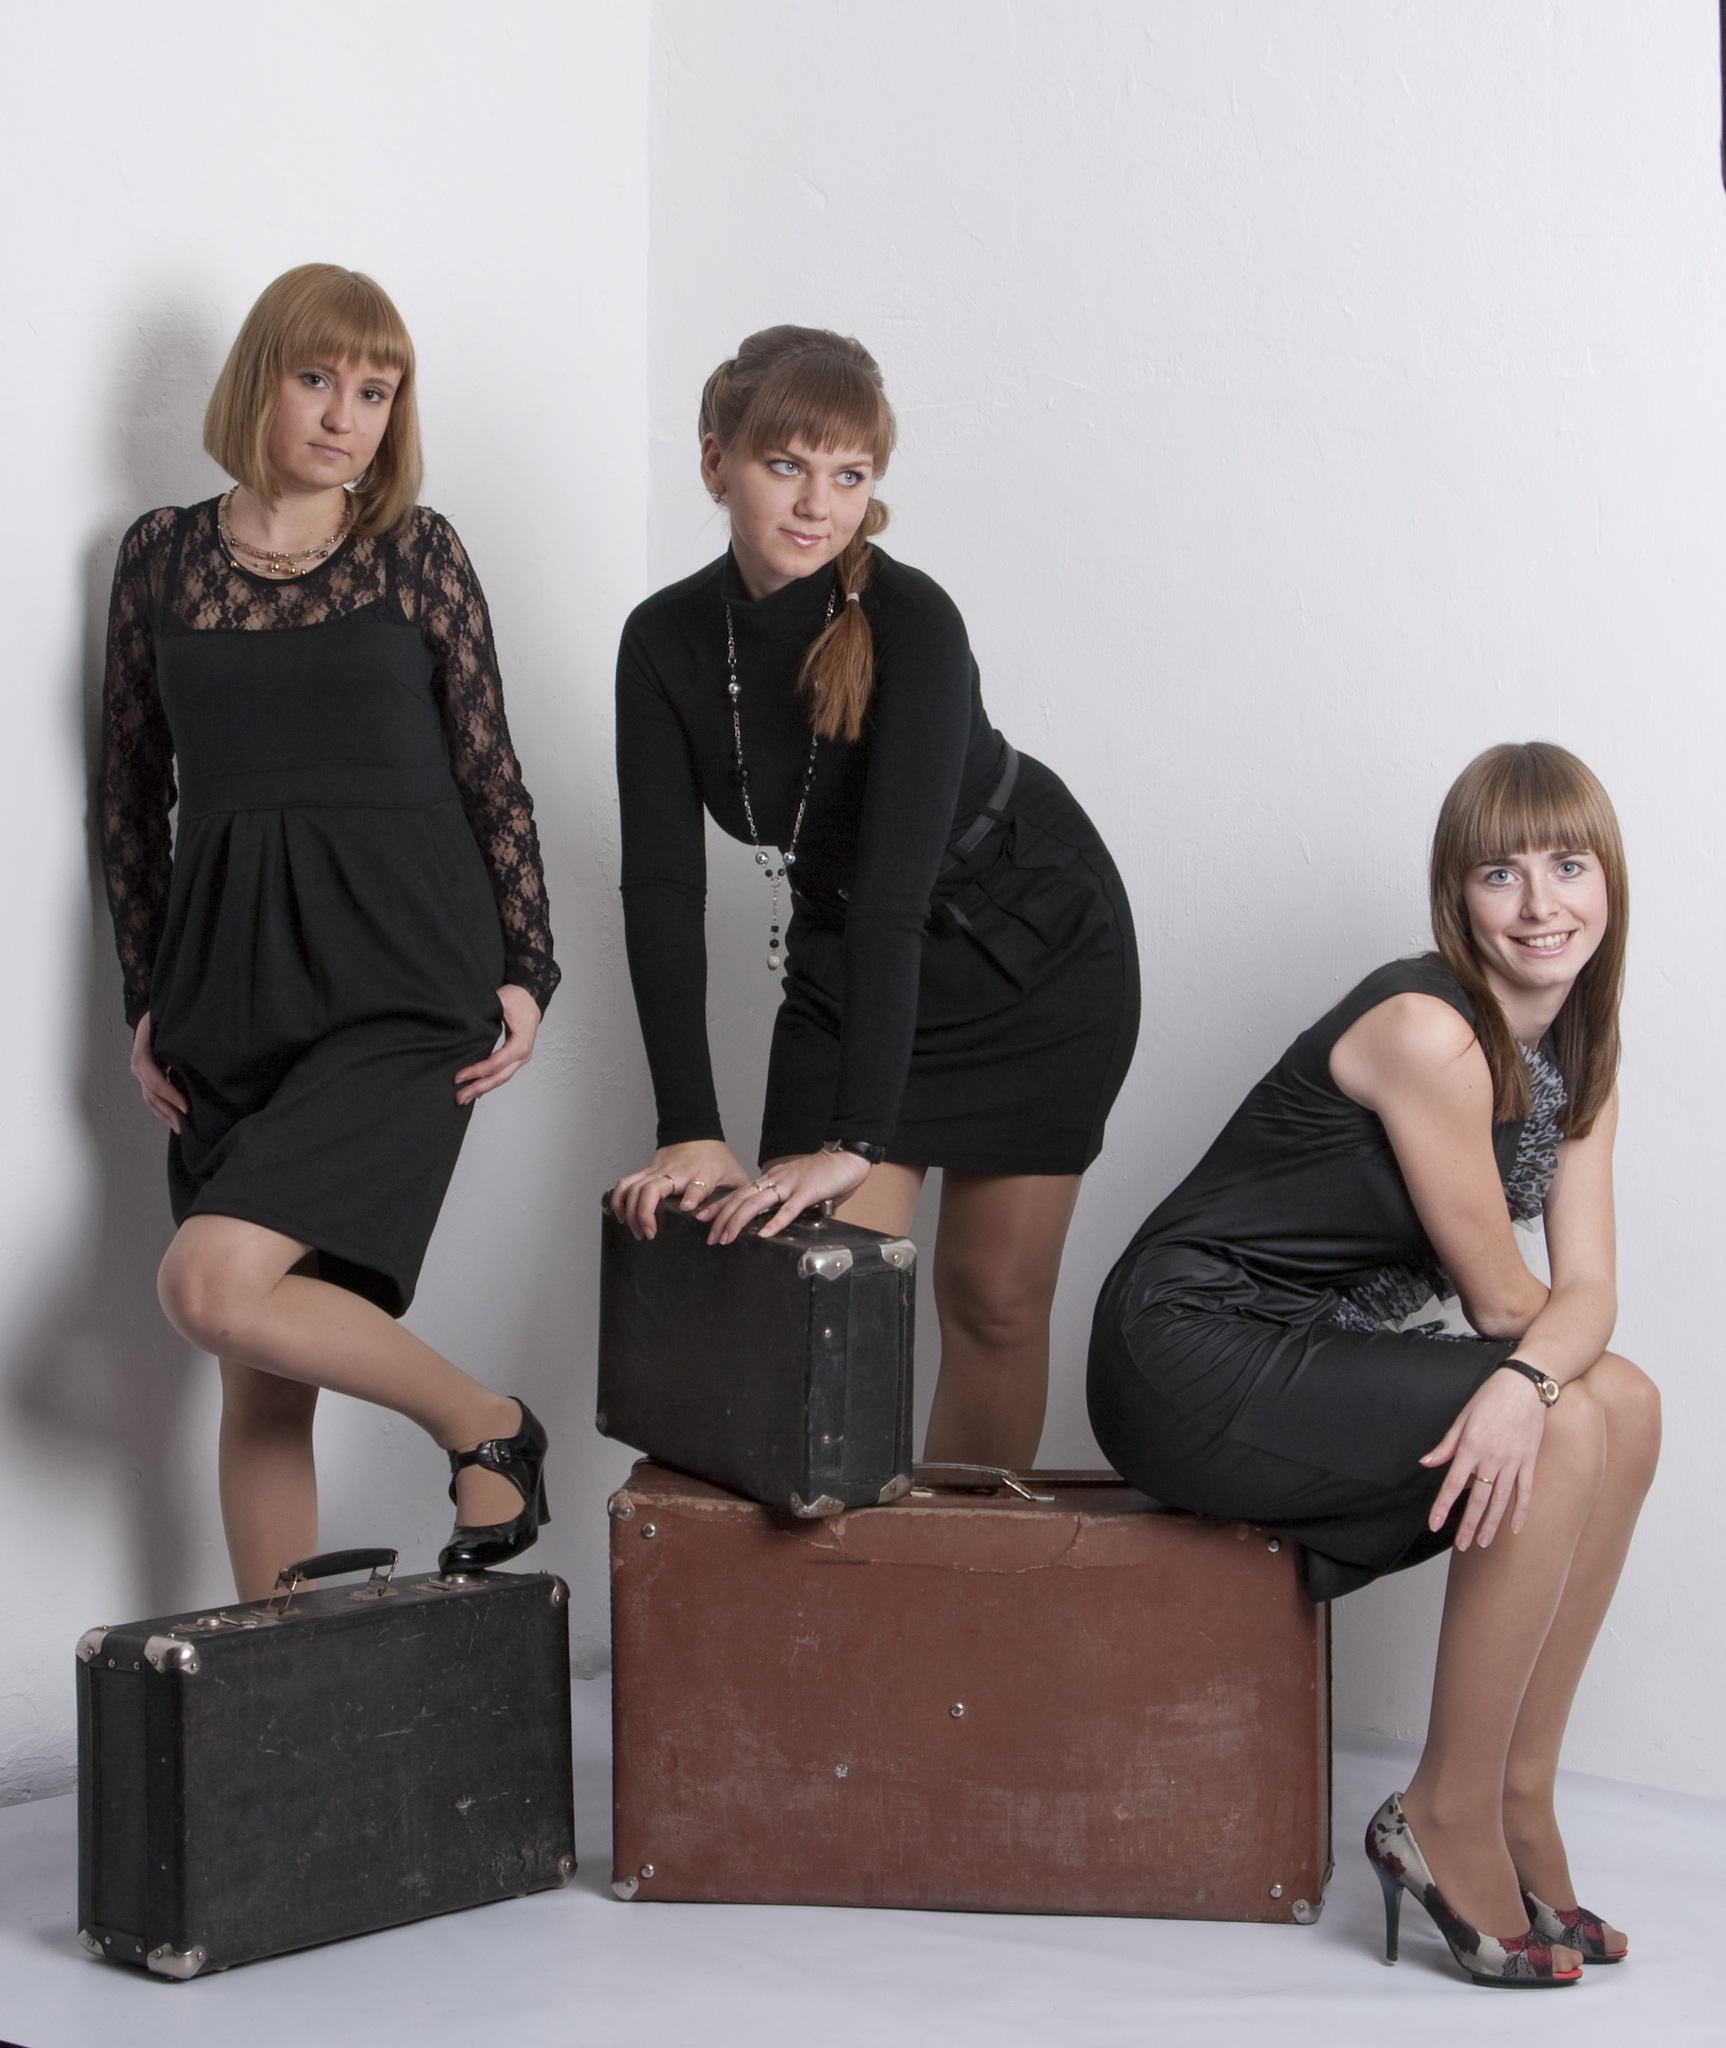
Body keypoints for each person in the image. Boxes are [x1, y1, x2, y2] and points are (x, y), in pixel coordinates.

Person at [1088, 742, 1657, 1986]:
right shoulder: (1427, 1029)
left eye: (1568, 866)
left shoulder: (1581, 1060)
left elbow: (1591, 1294)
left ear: (1610, 881)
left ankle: (1516, 1794)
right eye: (1500, 873)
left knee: (1626, 1400)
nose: (1540, 902)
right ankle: (1440, 1811)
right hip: (1186, 1347)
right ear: (1457, 896)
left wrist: (1534, 1372)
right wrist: (1528, 1381)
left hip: (1313, 1349)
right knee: (1567, 1409)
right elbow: (1508, 1301)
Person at [101, 264, 558, 1598]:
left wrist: (528, 964)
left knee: (211, 1285)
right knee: (258, 1383)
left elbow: (490, 771)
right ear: (261, 379)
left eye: (375, 390)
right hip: (225, 986)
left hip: (402, 976)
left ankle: (487, 1424)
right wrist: (147, 991)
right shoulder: (162, 555)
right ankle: (281, 1676)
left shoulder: (417, 549)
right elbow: (128, 792)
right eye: (317, 380)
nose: (345, 415)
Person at [609, 326, 1139, 1467]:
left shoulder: (914, 622)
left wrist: (857, 1137)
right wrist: (688, 1125)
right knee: (812, 1292)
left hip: (1028, 946)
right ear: (715, 462)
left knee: (992, 1300)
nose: (818, 505)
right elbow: (659, 888)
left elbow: (897, 890)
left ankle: (956, 1574)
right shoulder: (664, 642)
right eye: (786, 465)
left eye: (849, 475)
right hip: (847, 952)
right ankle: (840, 1577)